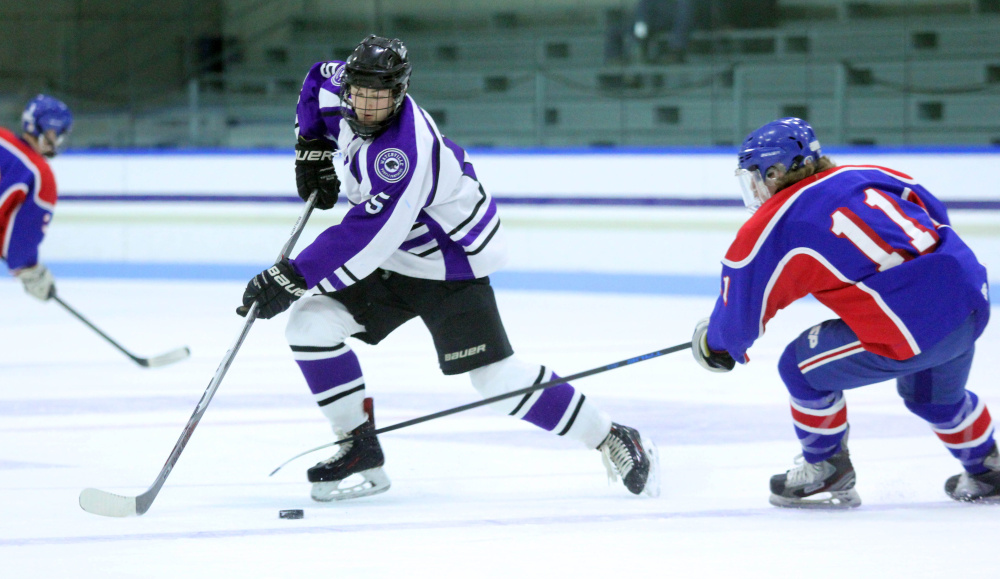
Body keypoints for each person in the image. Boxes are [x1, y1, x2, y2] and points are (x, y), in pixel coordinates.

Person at [237, 35, 660, 502]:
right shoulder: (346, 86)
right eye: (360, 94)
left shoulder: (404, 152)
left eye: (380, 97)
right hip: (397, 257)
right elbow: (317, 77)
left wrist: (293, 275)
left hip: (449, 262)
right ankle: (359, 447)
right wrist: (311, 145)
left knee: (495, 380)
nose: (367, 106)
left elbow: (366, 235)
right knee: (310, 325)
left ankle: (613, 436)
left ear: (399, 93)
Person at [691, 117, 997, 508]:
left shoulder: (777, 221)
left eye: (756, 176)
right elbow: (932, 211)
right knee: (934, 398)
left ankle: (824, 469)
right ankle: (987, 467)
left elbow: (739, 314)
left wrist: (713, 343)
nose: (755, 188)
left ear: (776, 170)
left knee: (799, 368)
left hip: (913, 326)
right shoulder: (869, 173)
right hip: (969, 301)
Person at [1, 94, 73, 301]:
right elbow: (20, 241)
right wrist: (30, 271)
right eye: (55, 132)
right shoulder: (40, 175)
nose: (57, 139)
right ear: (39, 127)